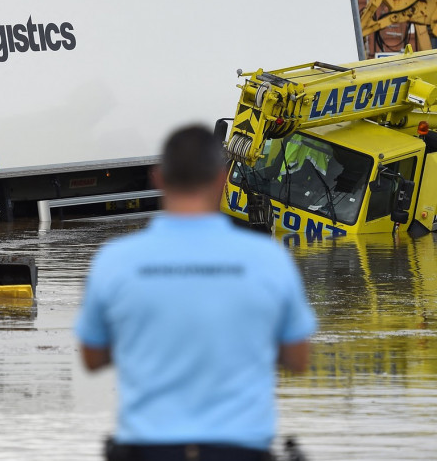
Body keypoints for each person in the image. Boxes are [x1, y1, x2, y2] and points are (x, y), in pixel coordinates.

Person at [75, 124, 317, 461]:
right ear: (221, 179)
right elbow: (297, 359)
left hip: (148, 449)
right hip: (240, 449)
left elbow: (92, 358)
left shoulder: (115, 260)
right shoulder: (269, 258)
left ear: (158, 178)